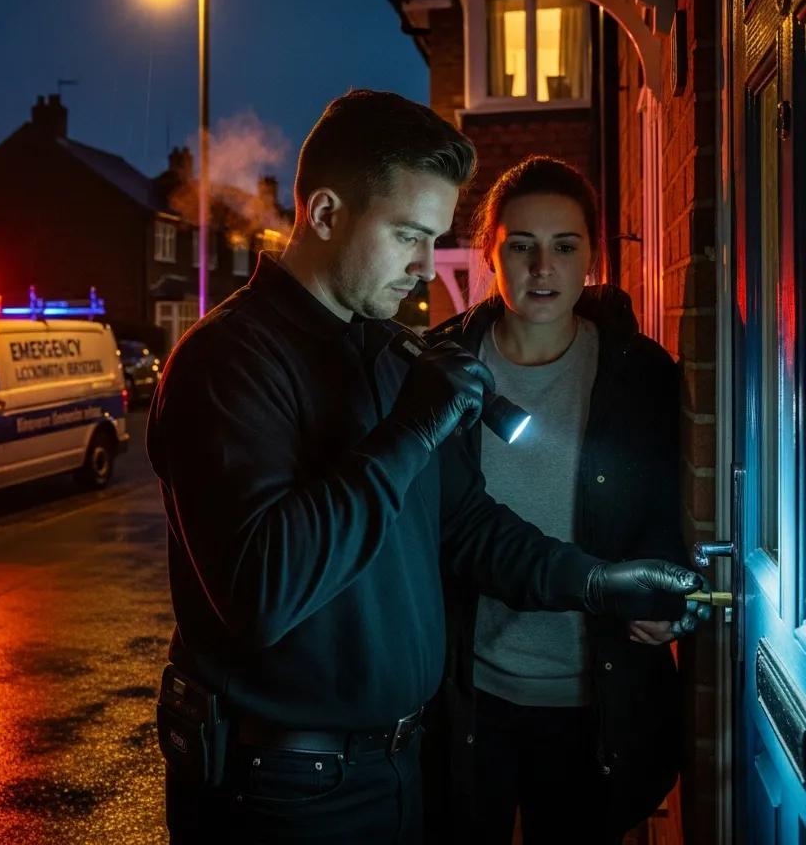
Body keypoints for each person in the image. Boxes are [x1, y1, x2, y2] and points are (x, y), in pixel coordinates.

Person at [146, 91, 702, 845]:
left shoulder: (377, 351)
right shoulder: (228, 361)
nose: (423, 266)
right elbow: (263, 586)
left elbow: (464, 525)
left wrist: (598, 583)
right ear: (325, 213)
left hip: (401, 768)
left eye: (433, 238)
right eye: (408, 234)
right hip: (285, 789)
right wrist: (414, 425)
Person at [422, 156, 706, 844]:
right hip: (468, 696)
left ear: (592, 259)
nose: (541, 266)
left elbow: (675, 515)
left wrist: (666, 601)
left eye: (564, 246)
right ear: (491, 253)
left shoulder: (640, 377)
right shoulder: (438, 369)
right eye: (520, 245)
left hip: (597, 700)